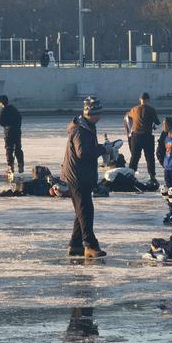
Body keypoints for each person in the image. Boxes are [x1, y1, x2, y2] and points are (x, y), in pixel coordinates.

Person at [62, 96, 113, 259]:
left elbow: (87, 149)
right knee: (86, 211)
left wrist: (104, 147)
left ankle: (75, 245)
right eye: (99, 113)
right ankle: (90, 245)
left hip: (82, 175)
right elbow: (83, 153)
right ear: (92, 113)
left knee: (81, 211)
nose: (101, 116)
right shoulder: (80, 129)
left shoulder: (87, 126)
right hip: (77, 176)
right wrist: (104, 150)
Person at [127, 92, 160, 184]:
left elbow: (128, 117)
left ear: (140, 100)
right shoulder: (151, 109)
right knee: (149, 157)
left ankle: (130, 175)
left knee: (134, 157)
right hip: (147, 136)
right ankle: (152, 176)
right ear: (148, 100)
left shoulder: (134, 109)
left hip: (135, 136)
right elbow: (157, 122)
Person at [0, 95, 24, 175]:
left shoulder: (3, 110)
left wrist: (7, 126)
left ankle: (10, 166)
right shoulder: (14, 109)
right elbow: (20, 117)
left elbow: (0, 122)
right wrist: (17, 126)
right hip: (17, 131)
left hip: (9, 132)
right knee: (18, 148)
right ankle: (20, 164)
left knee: (9, 149)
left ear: (1, 102)